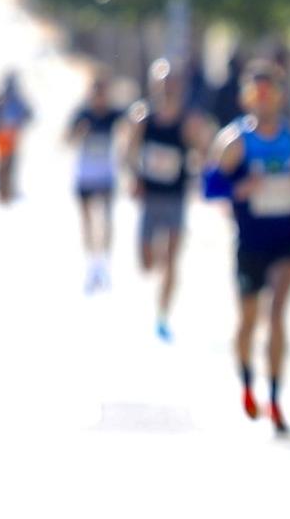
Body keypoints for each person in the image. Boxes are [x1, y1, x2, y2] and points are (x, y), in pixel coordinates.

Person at [211, 61, 290, 432]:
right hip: (250, 240)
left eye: (270, 93)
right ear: (246, 98)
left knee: (278, 313)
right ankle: (248, 385)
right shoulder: (235, 141)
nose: (263, 100)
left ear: (280, 96)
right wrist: (238, 189)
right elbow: (210, 186)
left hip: (286, 236)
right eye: (256, 93)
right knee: (249, 320)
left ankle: (277, 397)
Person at [120, 59, 208, 342]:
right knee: (146, 263)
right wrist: (134, 177)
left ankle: (162, 314)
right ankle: (155, 264)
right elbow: (127, 153)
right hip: (150, 197)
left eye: (172, 84)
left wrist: (198, 161)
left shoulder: (188, 121)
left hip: (175, 197)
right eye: (163, 83)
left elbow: (203, 154)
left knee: (172, 258)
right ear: (154, 85)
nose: (168, 89)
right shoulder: (142, 118)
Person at [69, 72, 123, 291]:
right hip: (84, 175)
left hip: (106, 175)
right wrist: (78, 134)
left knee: (107, 220)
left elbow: (131, 126)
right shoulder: (82, 114)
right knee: (88, 221)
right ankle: (92, 264)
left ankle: (105, 264)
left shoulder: (113, 115)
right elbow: (65, 139)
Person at [0, 71, 31, 204]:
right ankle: (1, 190)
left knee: (11, 162)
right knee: (2, 162)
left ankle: (8, 190)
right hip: (1, 134)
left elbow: (29, 114)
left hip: (13, 134)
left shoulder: (18, 99)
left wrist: (18, 123)